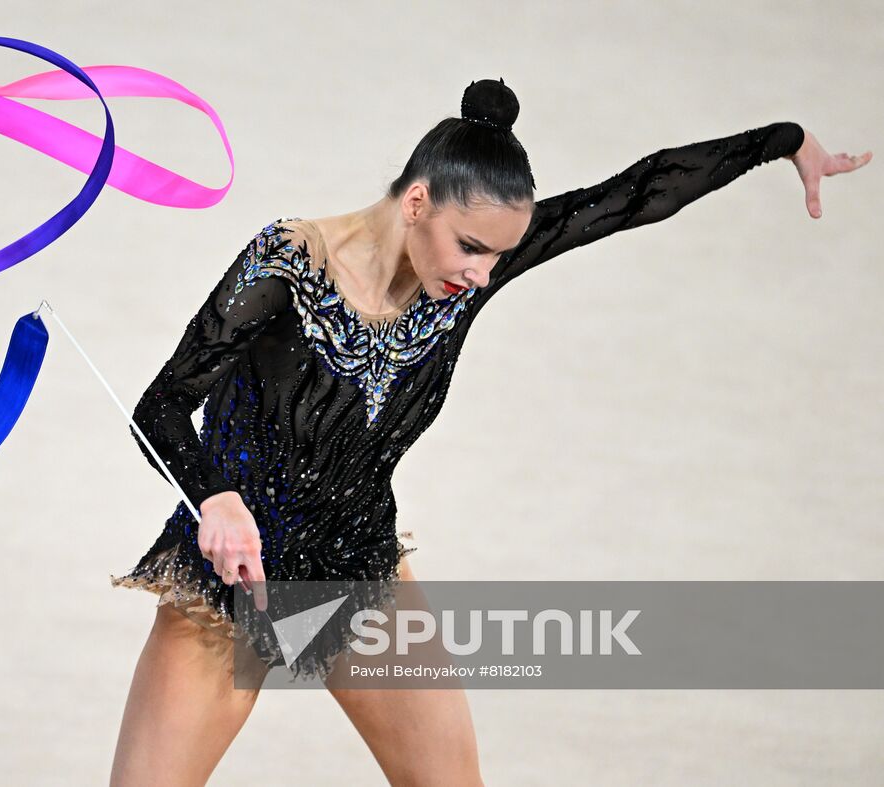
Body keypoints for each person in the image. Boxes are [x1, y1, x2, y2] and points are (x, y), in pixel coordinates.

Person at [107, 77, 870, 785]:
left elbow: (635, 192)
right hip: (230, 585)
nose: (480, 274)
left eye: (498, 255)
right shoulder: (287, 263)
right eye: (470, 247)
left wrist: (783, 139)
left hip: (354, 566)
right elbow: (162, 405)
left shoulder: (466, 276)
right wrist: (218, 498)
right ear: (415, 202)